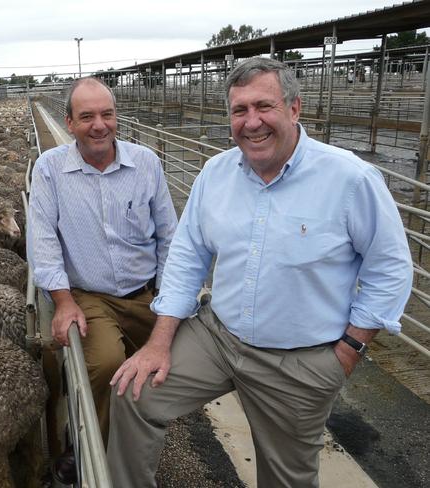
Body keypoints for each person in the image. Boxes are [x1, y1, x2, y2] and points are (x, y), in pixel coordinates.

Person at [107, 57, 412, 488]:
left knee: (284, 478)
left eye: (264, 106)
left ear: (294, 108)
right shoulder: (216, 174)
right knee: (134, 394)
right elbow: (188, 256)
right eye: (239, 110)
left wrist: (347, 353)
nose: (252, 122)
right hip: (218, 336)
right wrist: (158, 341)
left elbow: (391, 268)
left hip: (299, 359)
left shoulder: (350, 179)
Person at [27, 77, 177, 482]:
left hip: (146, 291)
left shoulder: (145, 163)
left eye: (107, 114)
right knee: (106, 362)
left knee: (160, 373)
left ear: (116, 117)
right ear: (69, 122)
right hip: (89, 294)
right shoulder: (51, 170)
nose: (99, 125)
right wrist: (62, 301)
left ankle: (129, 440)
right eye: (87, 116)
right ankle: (91, 451)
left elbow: (169, 234)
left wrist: (168, 295)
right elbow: (42, 240)